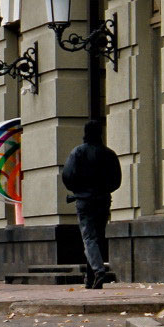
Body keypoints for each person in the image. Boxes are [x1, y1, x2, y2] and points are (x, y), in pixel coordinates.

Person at [62, 119, 122, 289]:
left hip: (84, 201)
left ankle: (98, 270)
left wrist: (79, 191)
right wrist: (103, 190)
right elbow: (116, 180)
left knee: (89, 238)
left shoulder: (78, 152)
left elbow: (67, 176)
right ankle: (90, 280)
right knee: (98, 237)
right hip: (103, 200)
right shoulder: (109, 153)